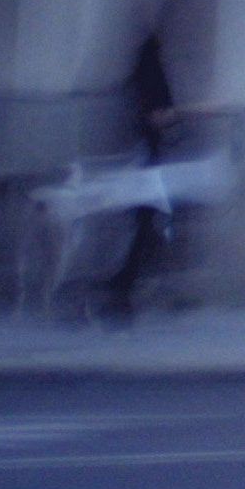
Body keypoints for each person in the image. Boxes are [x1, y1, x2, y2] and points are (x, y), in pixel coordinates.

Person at [99, 19, 182, 324]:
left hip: (134, 159)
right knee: (147, 227)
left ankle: (122, 285)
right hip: (148, 162)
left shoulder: (135, 76)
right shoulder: (155, 76)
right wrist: (172, 115)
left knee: (140, 226)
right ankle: (121, 288)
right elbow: (161, 117)